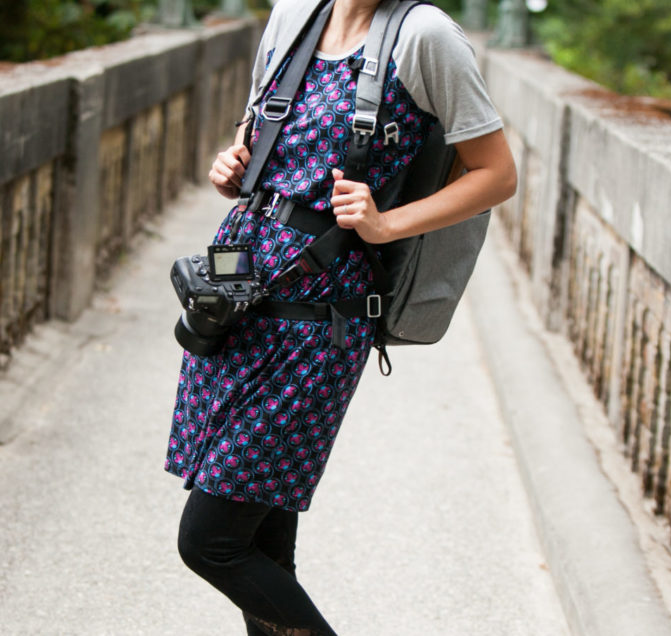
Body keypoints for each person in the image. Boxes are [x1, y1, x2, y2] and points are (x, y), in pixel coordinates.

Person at [167, 0, 517, 633]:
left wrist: (387, 224)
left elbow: (496, 174)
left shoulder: (425, 36)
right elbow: (263, 140)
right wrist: (233, 165)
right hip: (239, 296)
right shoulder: (294, 15)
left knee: (212, 542)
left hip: (317, 320)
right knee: (265, 546)